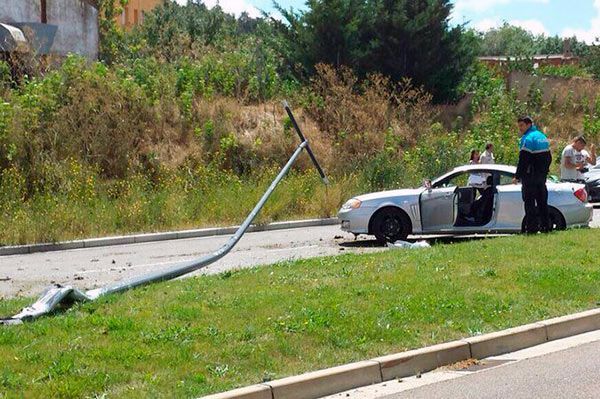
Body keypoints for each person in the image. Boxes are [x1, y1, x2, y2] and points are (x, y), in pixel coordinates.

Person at [514, 116, 552, 233]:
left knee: (529, 204)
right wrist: (544, 172)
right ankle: (546, 227)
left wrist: (517, 175)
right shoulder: (542, 137)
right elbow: (549, 158)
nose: (520, 128)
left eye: (522, 125)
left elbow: (523, 160)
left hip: (530, 177)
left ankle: (532, 229)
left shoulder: (527, 139)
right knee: (542, 203)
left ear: (528, 124)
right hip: (541, 177)